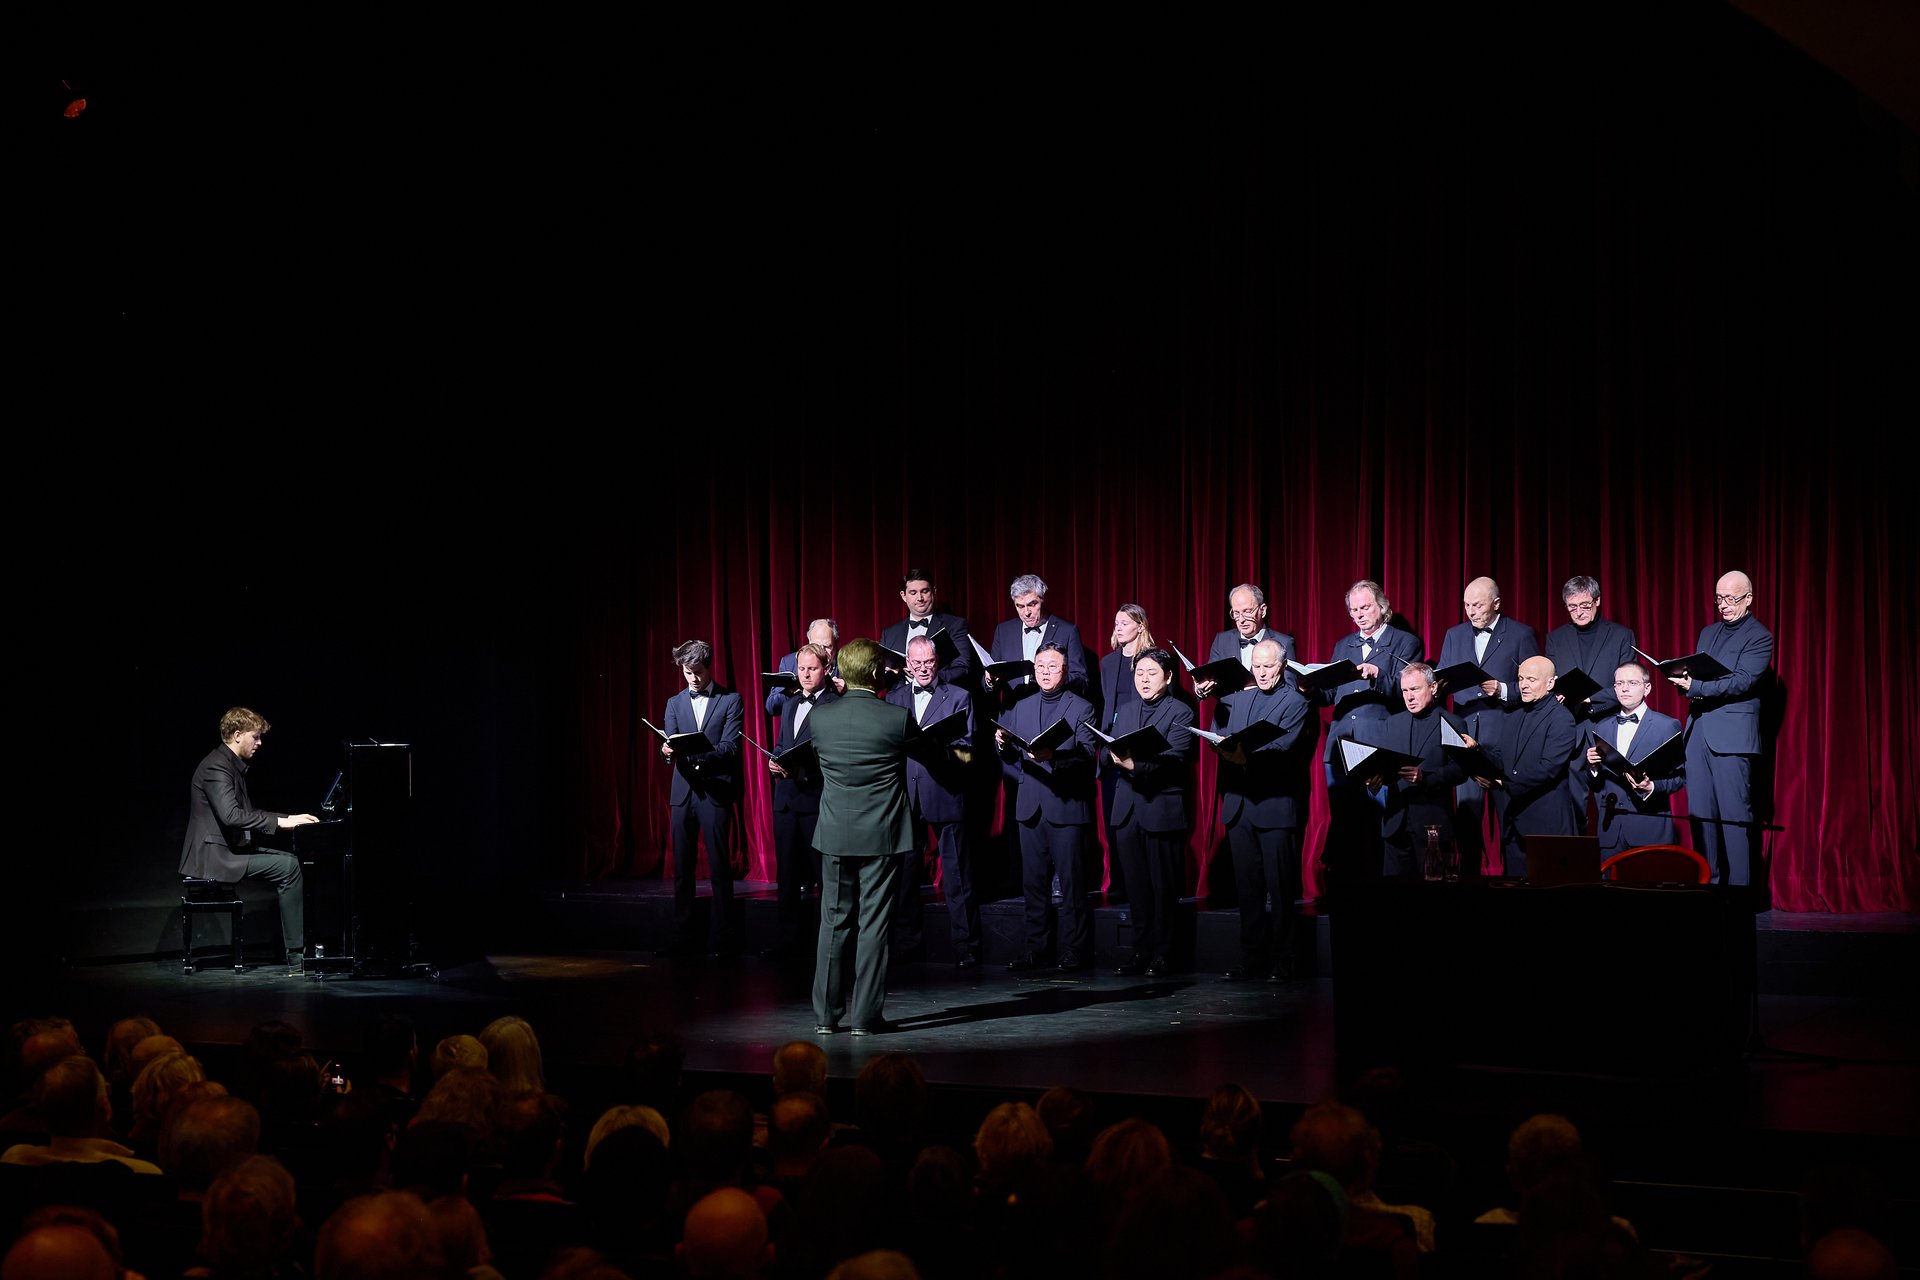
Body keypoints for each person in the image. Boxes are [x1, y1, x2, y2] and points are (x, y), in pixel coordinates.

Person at [809, 638, 916, 1034]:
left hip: (836, 831)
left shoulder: (819, 719)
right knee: (874, 924)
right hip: (882, 834)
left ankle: (825, 1017)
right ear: (877, 672)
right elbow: (928, 751)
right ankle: (866, 1018)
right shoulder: (897, 717)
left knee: (834, 923)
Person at [178, 707, 319, 976]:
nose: (259, 743)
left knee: (289, 861)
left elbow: (247, 814)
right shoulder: (216, 766)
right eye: (255, 737)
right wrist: (280, 823)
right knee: (289, 868)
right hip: (213, 857)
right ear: (237, 734)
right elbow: (231, 816)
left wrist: (289, 817)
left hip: (226, 850)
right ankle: (297, 956)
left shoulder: (228, 764)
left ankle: (300, 950)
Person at [993, 644, 1101, 971]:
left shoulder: (1082, 707)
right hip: (1030, 806)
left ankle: (1074, 950)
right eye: (1040, 666)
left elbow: (1086, 756)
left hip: (1066, 805)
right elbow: (1012, 758)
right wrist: (1002, 745)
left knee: (1071, 883)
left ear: (1065, 671)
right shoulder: (1020, 706)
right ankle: (1036, 947)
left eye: (1052, 666)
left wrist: (1054, 757)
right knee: (1033, 883)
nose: (1045, 672)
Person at [1211, 639, 1315, 980]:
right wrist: (1224, 747)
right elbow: (1225, 738)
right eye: (1257, 667)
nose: (1262, 672)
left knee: (1280, 888)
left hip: (1274, 806)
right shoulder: (1240, 700)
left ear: (1283, 666)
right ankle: (1252, 958)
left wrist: (1244, 754)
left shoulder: (1296, 702)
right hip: (1240, 805)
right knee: (1248, 889)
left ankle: (1285, 959)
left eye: (1268, 666)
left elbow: (1285, 748)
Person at [1317, 581, 1425, 888]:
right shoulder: (1343, 645)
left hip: (1378, 744)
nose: (1360, 614)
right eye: (1354, 609)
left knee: (1383, 827)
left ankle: (1381, 896)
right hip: (1340, 745)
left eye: (1365, 607)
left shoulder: (1405, 642)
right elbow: (1329, 694)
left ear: (1382, 606)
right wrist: (1309, 686)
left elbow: (1411, 693)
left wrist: (1379, 676)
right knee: (1346, 826)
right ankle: (1350, 894)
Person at [884, 636, 982, 968]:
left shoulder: (959, 697)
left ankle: (966, 944)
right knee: (906, 877)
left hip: (945, 791)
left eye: (929, 662)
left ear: (937, 662)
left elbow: (968, 754)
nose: (924, 668)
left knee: (957, 874)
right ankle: (906, 943)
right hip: (905, 796)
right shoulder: (894, 697)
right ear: (907, 664)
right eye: (918, 663)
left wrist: (938, 752)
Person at [1672, 569, 1774, 885]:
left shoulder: (1760, 637)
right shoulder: (1708, 632)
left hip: (1732, 738)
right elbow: (1702, 677)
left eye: (1731, 598)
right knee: (1700, 815)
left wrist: (1696, 686)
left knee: (1734, 818)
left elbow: (1743, 681)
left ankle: (1740, 892)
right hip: (1699, 733)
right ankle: (1710, 883)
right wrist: (1683, 680)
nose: (1724, 605)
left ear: (1749, 598)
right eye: (1719, 598)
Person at [1435, 577, 1539, 876]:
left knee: (1510, 819)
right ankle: (1468, 887)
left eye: (1477, 605)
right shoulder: (1454, 635)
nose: (1471, 611)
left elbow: (1536, 685)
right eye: (1467, 605)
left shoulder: (1521, 634)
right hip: (1464, 735)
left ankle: (1517, 883)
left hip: (1505, 738)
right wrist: (1438, 684)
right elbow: (1443, 680)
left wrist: (1504, 689)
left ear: (1496, 603)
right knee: (1467, 820)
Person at [1105, 649, 1196, 977]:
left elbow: (1177, 757)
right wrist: (1110, 754)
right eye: (1139, 672)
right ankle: (1140, 951)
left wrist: (1135, 764)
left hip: (1160, 808)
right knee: (1137, 888)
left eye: (1152, 673)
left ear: (1168, 677)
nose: (1144, 679)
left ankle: (1164, 953)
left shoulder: (1181, 712)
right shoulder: (1126, 710)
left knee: (1163, 887)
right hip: (1127, 810)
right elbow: (1108, 751)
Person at [659, 640, 746, 957]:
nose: (693, 678)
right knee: (683, 868)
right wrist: (667, 750)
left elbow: (731, 747)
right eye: (687, 672)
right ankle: (683, 936)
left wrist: (699, 753)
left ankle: (723, 937)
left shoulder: (730, 700)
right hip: (683, 793)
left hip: (714, 791)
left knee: (720, 868)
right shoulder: (674, 702)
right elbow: (670, 742)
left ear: (709, 667)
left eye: (698, 672)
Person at [1463, 656, 1581, 876]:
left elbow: (1548, 769)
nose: (1524, 685)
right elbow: (1501, 757)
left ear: (1550, 683)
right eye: (1520, 679)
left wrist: (1501, 782)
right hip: (1514, 824)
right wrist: (1476, 750)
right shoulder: (1514, 714)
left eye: (1531, 680)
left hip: (1546, 828)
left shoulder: (1562, 719)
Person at [763, 643, 839, 961]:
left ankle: (826, 946)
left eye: (812, 668)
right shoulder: (791, 703)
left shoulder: (836, 705)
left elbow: (835, 756)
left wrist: (804, 770)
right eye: (802, 669)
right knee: (787, 876)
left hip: (815, 800)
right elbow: (782, 744)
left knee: (823, 876)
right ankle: (787, 942)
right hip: (786, 800)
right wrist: (774, 762)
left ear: (826, 669)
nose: (806, 675)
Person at [1359, 663, 1468, 879]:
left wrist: (1425, 778)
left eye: (1415, 689)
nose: (1409, 697)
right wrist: (1375, 779)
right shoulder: (1393, 723)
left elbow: (1460, 770)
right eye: (1405, 691)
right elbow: (1385, 765)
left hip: (1432, 825)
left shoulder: (1453, 723)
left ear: (1434, 688)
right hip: (1395, 824)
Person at [1572, 663, 1683, 856]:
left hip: (1649, 828)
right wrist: (1593, 767)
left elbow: (1680, 776)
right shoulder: (1601, 727)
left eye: (1632, 682)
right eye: (1619, 683)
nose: (1625, 688)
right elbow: (1596, 785)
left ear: (1647, 688)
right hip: (1610, 830)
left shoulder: (1667, 726)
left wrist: (1652, 787)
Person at [1095, 604, 1156, 903]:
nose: (1118, 628)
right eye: (1116, 622)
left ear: (1140, 627)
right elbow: (1106, 705)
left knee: (1141, 822)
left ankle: (1145, 888)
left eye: (1124, 623)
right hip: (1111, 750)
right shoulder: (1108, 663)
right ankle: (1120, 884)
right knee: (1114, 823)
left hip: (1142, 748)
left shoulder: (1152, 661)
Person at [1543, 575, 1636, 723]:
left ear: (1597, 600)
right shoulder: (1555, 639)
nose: (1579, 612)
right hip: (1567, 724)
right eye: (1572, 607)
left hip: (1607, 722)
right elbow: (1550, 681)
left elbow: (1629, 683)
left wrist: (1591, 699)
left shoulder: (1621, 636)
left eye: (1585, 605)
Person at [982, 573, 1088, 699]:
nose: (1026, 613)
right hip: (1013, 712)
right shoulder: (1003, 631)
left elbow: (1081, 680)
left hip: (1052, 710)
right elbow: (990, 678)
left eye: (1032, 604)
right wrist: (989, 680)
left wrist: (1054, 679)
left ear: (1043, 600)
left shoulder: (1067, 631)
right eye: (1020, 606)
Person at [1194, 584, 1297, 700]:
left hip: (1265, 715)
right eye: (1236, 613)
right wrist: (1201, 689)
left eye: (1247, 611)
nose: (1241, 620)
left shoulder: (1284, 642)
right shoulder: (1222, 640)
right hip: (1228, 716)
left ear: (1262, 611)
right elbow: (1210, 679)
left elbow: (1291, 691)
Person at [879, 568, 974, 688]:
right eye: (913, 593)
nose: (920, 598)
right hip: (898, 702)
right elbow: (879, 678)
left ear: (933, 591)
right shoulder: (890, 633)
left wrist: (930, 678)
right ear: (904, 596)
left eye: (924, 591)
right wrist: (889, 671)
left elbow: (962, 666)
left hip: (940, 698)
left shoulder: (955, 625)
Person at [766, 619, 845, 717]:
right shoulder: (790, 663)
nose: (822, 652)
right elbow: (772, 707)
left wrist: (845, 692)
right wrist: (789, 692)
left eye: (827, 646)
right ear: (809, 642)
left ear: (836, 645)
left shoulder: (844, 663)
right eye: (816, 645)